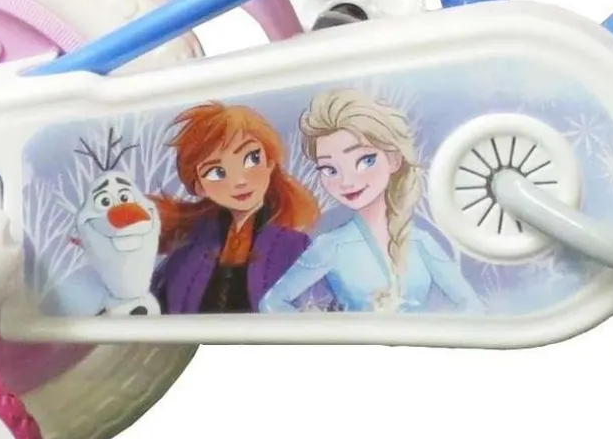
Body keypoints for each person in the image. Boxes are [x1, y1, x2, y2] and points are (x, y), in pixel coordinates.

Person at [260, 90, 484, 314]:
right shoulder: (331, 246)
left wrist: (433, 331)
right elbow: (271, 303)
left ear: (393, 160)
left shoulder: (421, 242)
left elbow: (472, 305)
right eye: (330, 169)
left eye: (365, 160)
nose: (347, 181)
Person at [151, 102, 320, 314]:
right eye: (216, 172)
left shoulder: (293, 246)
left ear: (270, 161)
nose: (239, 181)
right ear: (199, 186)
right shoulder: (188, 252)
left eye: (252, 159)